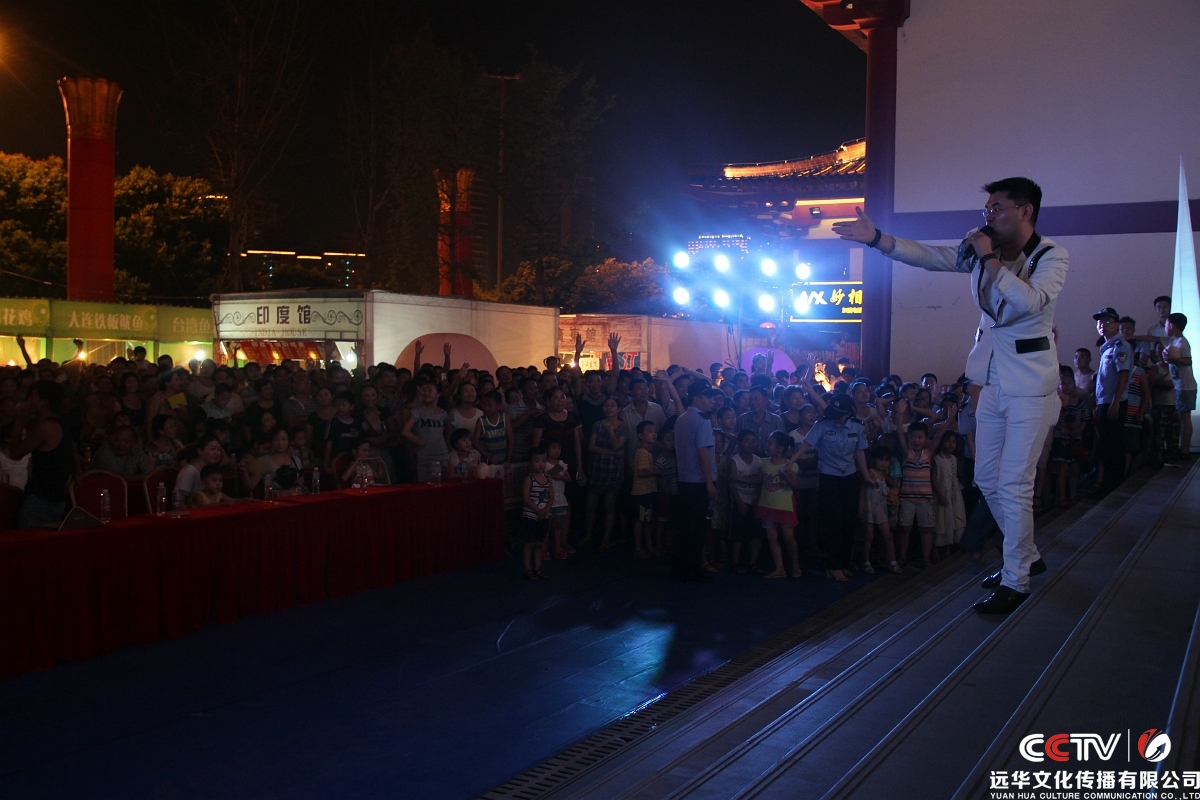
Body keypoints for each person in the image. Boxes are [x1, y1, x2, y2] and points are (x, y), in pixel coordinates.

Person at [835, 177, 1067, 613]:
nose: (988, 215)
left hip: (1031, 388)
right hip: (990, 382)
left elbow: (1028, 303)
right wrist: (878, 239)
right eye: (987, 209)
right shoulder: (980, 251)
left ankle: (1016, 580)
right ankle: (1026, 557)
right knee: (987, 479)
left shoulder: (1050, 256)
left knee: (1014, 483)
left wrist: (989, 257)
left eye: (997, 208)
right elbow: (933, 257)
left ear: (1025, 211)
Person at [671, 385, 721, 582]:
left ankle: (679, 568)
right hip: (699, 482)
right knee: (698, 529)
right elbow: (703, 453)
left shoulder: (681, 419)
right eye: (708, 398)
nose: (712, 402)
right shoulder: (702, 421)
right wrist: (709, 482)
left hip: (684, 480)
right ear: (697, 399)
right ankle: (693, 570)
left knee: (684, 528)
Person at [12, 381, 73, 528]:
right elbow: (73, 449)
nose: (28, 399)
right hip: (57, 497)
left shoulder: (45, 427)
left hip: (40, 501)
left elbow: (15, 452)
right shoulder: (61, 422)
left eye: (33, 395)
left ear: (44, 402)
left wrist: (19, 421)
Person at [1093, 308, 1132, 495]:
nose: (1103, 325)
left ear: (1117, 325)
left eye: (1108, 321)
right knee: (1106, 445)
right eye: (1100, 322)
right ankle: (1108, 484)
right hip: (1104, 402)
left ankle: (1114, 485)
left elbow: (1123, 375)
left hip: (1114, 403)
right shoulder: (1106, 347)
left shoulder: (1120, 346)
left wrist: (1116, 402)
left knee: (1113, 446)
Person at [757, 430, 802, 579]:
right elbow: (759, 480)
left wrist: (786, 477)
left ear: (780, 448)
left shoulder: (790, 465)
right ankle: (779, 568)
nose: (767, 445)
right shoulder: (764, 463)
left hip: (784, 505)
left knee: (788, 537)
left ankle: (795, 566)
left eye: (770, 443)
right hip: (768, 504)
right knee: (771, 537)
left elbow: (795, 484)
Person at [584, 397, 626, 550]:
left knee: (609, 505)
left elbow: (617, 446)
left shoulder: (623, 426)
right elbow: (591, 447)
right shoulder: (597, 424)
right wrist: (613, 453)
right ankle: (588, 534)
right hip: (596, 468)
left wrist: (610, 431)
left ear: (618, 409)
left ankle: (606, 537)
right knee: (590, 505)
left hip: (613, 470)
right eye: (606, 405)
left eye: (612, 405)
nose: (609, 408)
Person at [862, 445, 901, 574]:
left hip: (880, 510)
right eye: (881, 460)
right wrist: (861, 507)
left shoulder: (883, 474)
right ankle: (866, 562)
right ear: (874, 459)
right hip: (870, 509)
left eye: (886, 460)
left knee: (888, 536)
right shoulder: (870, 473)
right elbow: (862, 490)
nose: (883, 463)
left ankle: (892, 562)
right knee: (869, 536)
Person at [519, 446, 553, 581]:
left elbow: (551, 496)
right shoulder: (529, 479)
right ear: (530, 462)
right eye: (537, 461)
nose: (541, 464)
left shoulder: (548, 478)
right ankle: (528, 569)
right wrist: (538, 510)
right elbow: (526, 497)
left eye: (543, 461)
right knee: (529, 543)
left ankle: (537, 568)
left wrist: (546, 510)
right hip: (530, 515)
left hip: (544, 515)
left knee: (539, 543)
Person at [1165, 312, 1195, 456]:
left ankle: (1185, 450)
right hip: (1180, 385)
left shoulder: (1182, 342)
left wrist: (1172, 358)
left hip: (1185, 386)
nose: (1165, 327)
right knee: (1183, 418)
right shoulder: (1175, 341)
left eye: (1166, 324)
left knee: (1185, 418)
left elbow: (1188, 361)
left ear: (1171, 325)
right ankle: (1183, 448)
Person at [631, 421, 660, 559]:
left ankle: (648, 547)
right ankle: (638, 548)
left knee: (646, 519)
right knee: (640, 520)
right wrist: (657, 471)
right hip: (641, 493)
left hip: (646, 492)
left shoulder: (646, 451)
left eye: (655, 431)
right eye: (650, 431)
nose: (654, 434)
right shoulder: (643, 452)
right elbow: (641, 472)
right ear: (640, 435)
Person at [545, 440, 572, 558]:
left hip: (560, 499)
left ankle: (557, 548)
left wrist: (561, 477)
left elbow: (569, 478)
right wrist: (553, 473)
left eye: (559, 448)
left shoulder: (561, 463)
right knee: (546, 526)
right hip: (547, 500)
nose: (556, 451)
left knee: (558, 524)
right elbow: (544, 476)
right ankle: (544, 549)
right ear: (547, 449)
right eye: (553, 448)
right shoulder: (544, 463)